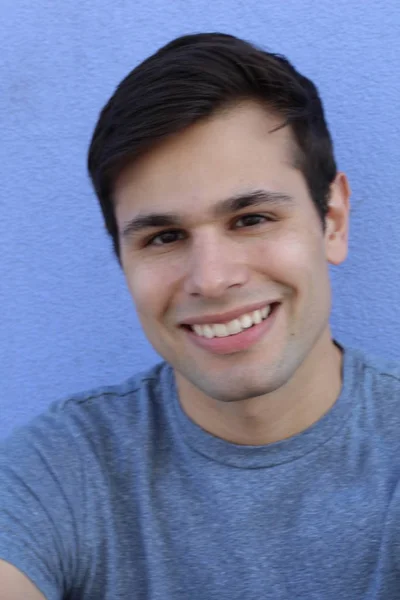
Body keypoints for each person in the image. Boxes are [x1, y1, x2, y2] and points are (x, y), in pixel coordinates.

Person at [1, 31, 399, 600]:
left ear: (332, 219)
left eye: (252, 219)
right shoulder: (61, 472)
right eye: (164, 237)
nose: (212, 279)